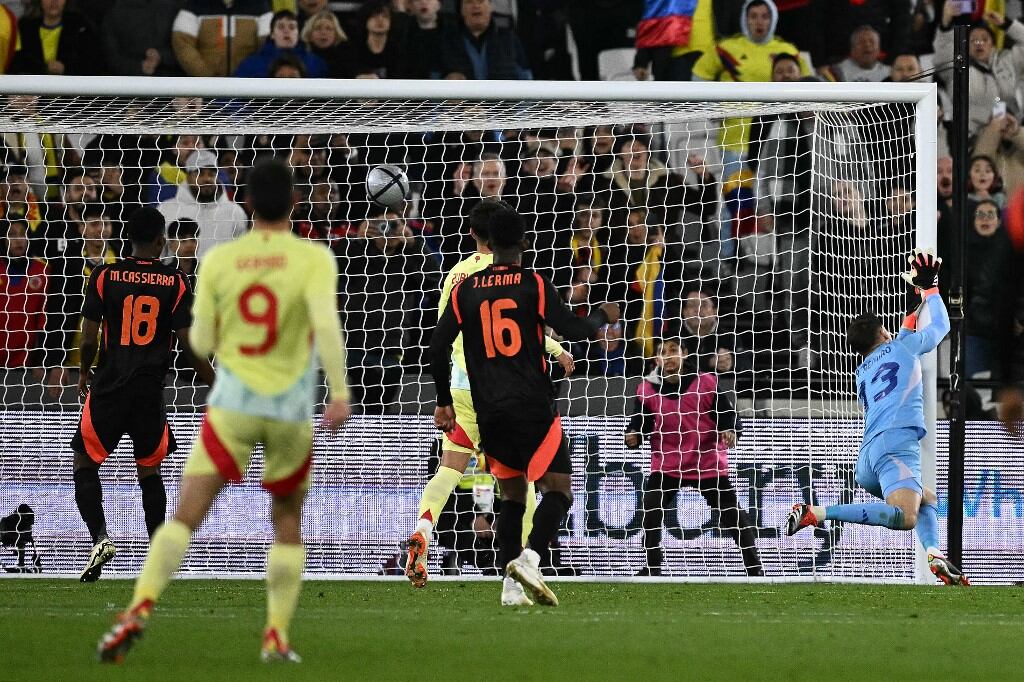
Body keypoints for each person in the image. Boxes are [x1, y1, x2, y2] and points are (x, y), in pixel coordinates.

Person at [97, 159, 353, 663]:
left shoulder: (219, 262)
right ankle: (276, 634)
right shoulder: (314, 259)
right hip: (289, 410)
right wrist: (340, 393)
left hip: (232, 404)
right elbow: (327, 327)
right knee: (286, 522)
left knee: (186, 517)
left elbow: (200, 340)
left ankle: (139, 607)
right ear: (295, 203)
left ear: (248, 204)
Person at [428, 207, 620, 606]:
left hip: (489, 410)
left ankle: (510, 588)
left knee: (511, 497)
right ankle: (530, 558)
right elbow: (575, 330)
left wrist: (444, 401)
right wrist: (606, 314)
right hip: (532, 405)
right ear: (525, 243)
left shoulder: (466, 289)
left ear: (487, 243)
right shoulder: (533, 283)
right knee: (560, 490)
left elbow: (437, 345)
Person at [406, 199, 572, 603]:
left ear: (472, 234)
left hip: (461, 386)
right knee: (523, 480)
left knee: (449, 468)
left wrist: (441, 396)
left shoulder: (456, 275)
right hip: (500, 386)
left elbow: (445, 332)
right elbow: (516, 328)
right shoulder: (507, 273)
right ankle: (523, 569)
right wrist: (555, 349)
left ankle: (423, 528)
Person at [787, 248, 969, 586]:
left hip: (868, 459)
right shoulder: (903, 347)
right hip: (897, 445)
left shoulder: (862, 370)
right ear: (884, 333)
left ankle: (933, 553)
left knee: (926, 497)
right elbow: (941, 324)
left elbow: (902, 336)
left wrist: (914, 304)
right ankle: (816, 512)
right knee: (906, 517)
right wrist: (930, 290)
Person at [71, 207, 214, 584]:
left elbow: (89, 335)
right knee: (149, 469)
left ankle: (100, 537)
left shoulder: (104, 276)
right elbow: (188, 342)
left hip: (111, 383)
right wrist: (213, 380)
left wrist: (85, 372)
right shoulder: (176, 281)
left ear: (126, 238)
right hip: (150, 389)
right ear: (160, 241)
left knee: (85, 462)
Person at [625, 338, 762, 577]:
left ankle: (755, 568)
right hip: (668, 464)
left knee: (732, 514)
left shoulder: (706, 383)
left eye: (673, 350)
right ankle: (652, 568)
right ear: (656, 359)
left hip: (706, 462)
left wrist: (731, 430)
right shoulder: (646, 389)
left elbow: (730, 416)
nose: (668, 356)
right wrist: (633, 434)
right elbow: (640, 422)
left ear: (685, 353)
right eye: (662, 352)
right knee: (650, 511)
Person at [157, 149, 249, 261]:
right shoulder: (166, 210)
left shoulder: (236, 212)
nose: (207, 179)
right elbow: (158, 257)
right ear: (188, 176)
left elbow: (242, 257)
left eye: (211, 174)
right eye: (199, 173)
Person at [172, 0, 272, 77]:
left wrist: (248, 76)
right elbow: (183, 44)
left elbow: (268, 46)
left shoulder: (259, 5)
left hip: (249, 89)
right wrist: (207, 76)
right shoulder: (194, 4)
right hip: (205, 91)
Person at [437, 0, 531, 80]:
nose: (476, 6)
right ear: (461, 10)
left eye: (481, 1)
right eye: (469, 2)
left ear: (491, 7)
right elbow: (432, 86)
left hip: (503, 101)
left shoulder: (510, 40)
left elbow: (528, 84)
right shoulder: (445, 41)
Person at [0, 218, 48, 370]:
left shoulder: (43, 271)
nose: (18, 240)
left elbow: (43, 317)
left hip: (28, 359)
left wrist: (40, 359)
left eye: (23, 234)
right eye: (12, 234)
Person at [234, 9, 328, 78]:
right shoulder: (251, 64)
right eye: (281, 27)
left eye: (292, 27)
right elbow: (232, 94)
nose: (286, 31)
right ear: (272, 34)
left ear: (298, 33)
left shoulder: (316, 63)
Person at [102, 0, 181, 76]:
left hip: (171, 80)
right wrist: (138, 67)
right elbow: (110, 56)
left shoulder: (174, 8)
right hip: (127, 82)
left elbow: (187, 48)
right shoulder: (114, 12)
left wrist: (161, 56)